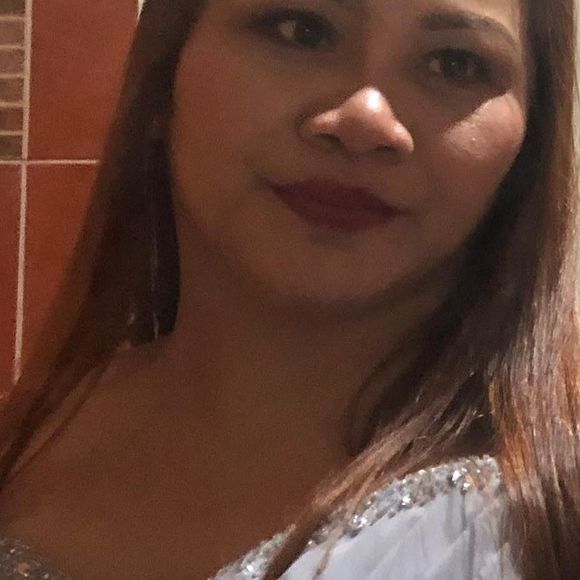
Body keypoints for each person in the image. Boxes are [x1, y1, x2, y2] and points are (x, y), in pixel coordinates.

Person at [0, 0, 578, 578]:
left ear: (529, 141)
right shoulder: (34, 431)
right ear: (164, 78)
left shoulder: (545, 529)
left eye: (455, 64)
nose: (365, 120)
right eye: (301, 31)